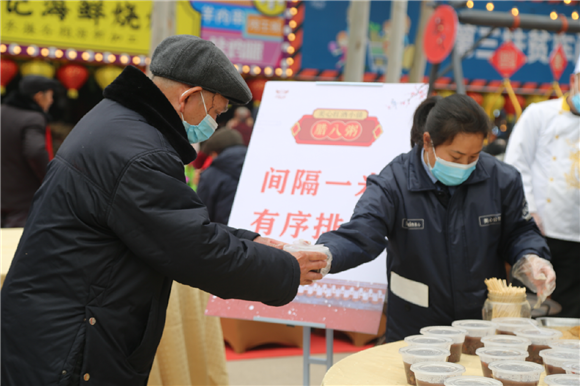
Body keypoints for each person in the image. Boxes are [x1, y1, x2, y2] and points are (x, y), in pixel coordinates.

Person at [1, 35, 327, 385]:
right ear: (188, 98)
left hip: (52, 324)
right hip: (69, 341)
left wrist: (257, 241)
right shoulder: (140, 152)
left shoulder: (117, 121)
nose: (214, 123)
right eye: (215, 111)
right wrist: (286, 269)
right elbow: (195, 250)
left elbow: (173, 222)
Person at [317, 94, 555, 342]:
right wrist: (326, 254)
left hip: (482, 324)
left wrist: (532, 257)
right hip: (414, 324)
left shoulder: (502, 179)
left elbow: (519, 231)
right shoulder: (394, 182)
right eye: (455, 157)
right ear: (428, 142)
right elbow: (361, 234)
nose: (465, 165)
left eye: (474, 157)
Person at [504, 56, 580, 318]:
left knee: (570, 316)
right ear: (573, 81)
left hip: (576, 239)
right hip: (538, 233)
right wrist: (530, 211)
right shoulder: (539, 114)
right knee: (527, 309)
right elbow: (515, 167)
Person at [1, 75, 59, 227]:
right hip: (22, 203)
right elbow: (35, 151)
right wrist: (50, 179)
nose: (51, 101)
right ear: (39, 96)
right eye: (51, 95)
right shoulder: (34, 118)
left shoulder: (2, 111)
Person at [197, 128, 247, 225]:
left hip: (221, 235)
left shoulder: (211, 175)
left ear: (215, 153)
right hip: (253, 235)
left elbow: (202, 215)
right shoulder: (257, 167)